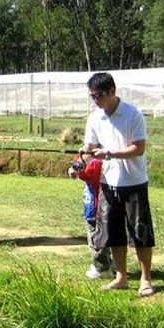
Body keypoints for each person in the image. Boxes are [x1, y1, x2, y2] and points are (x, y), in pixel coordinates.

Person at [82, 72, 155, 297]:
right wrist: (78, 165)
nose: (96, 100)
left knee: (140, 233)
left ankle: (146, 279)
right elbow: (89, 150)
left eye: (100, 95)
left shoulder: (132, 114)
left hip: (133, 183)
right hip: (108, 183)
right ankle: (120, 277)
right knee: (113, 233)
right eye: (92, 96)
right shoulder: (95, 118)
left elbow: (139, 148)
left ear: (113, 91)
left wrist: (110, 153)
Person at [68, 152, 113, 279]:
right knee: (102, 237)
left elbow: (84, 173)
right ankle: (109, 263)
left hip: (96, 208)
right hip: (91, 204)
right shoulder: (85, 157)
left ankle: (101, 268)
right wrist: (73, 168)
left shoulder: (97, 163)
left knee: (95, 238)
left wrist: (78, 167)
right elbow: (74, 168)